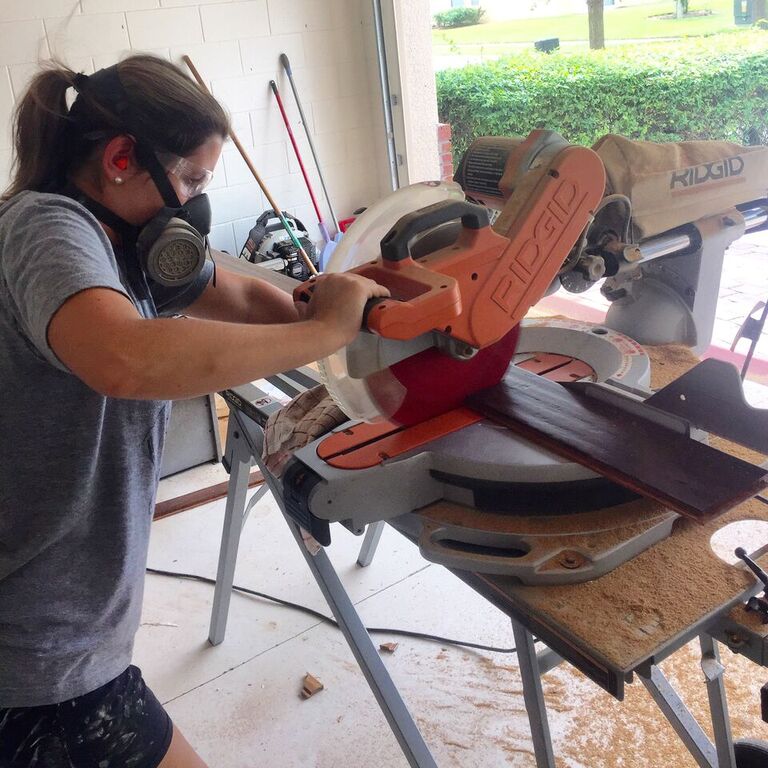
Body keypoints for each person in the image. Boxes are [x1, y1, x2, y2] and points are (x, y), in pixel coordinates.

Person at [0, 55, 388, 768]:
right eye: (189, 181)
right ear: (122, 159)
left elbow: (230, 294)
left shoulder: (124, 238)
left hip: (65, 627)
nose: (191, 204)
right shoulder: (48, 230)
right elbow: (128, 359)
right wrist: (323, 334)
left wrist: (323, 318)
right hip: (34, 655)